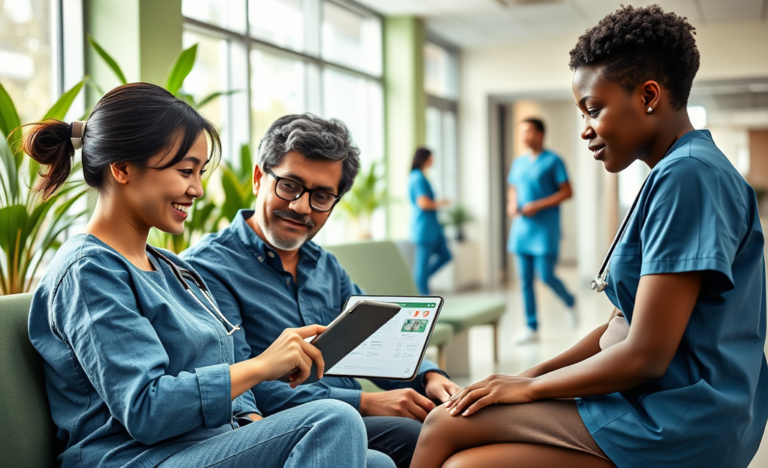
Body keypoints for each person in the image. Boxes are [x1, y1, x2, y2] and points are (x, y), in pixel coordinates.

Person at [411, 6, 768, 468]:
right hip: (659, 401)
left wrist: (530, 389)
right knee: (462, 445)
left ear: (649, 96)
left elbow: (646, 354)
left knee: (445, 427)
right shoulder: (677, 171)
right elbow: (622, 326)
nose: (584, 130)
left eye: (593, 110)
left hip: (677, 419)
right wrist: (529, 375)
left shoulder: (689, 177)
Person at [25, 83, 394, 468]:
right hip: (136, 458)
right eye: (186, 171)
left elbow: (220, 361)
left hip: (203, 446)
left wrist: (253, 422)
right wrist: (262, 366)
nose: (197, 189)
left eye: (200, 173)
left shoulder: (173, 268)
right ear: (122, 168)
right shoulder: (88, 270)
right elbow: (145, 409)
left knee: (376, 463)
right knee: (333, 420)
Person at [182, 115, 460, 468]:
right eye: (289, 186)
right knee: (415, 434)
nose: (301, 206)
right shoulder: (207, 269)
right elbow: (240, 384)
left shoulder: (325, 266)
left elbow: (377, 336)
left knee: (453, 422)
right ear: (258, 178)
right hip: (289, 426)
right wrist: (366, 402)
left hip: (343, 416)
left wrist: (430, 376)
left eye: (322, 196)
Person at [507, 118, 576, 344]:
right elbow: (513, 187)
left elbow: (567, 192)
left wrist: (537, 205)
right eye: (521, 132)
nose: (523, 136)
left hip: (545, 230)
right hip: (521, 230)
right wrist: (512, 203)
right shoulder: (519, 162)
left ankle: (570, 300)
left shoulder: (554, 161)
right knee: (525, 280)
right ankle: (531, 326)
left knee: (546, 276)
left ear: (540, 134)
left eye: (527, 131)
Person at [409, 147, 451, 295]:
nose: (433, 161)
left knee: (446, 256)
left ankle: (422, 279)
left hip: (433, 229)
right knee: (421, 266)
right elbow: (423, 203)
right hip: (424, 229)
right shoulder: (417, 177)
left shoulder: (421, 176)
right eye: (431, 158)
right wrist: (441, 203)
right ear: (425, 159)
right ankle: (423, 297)